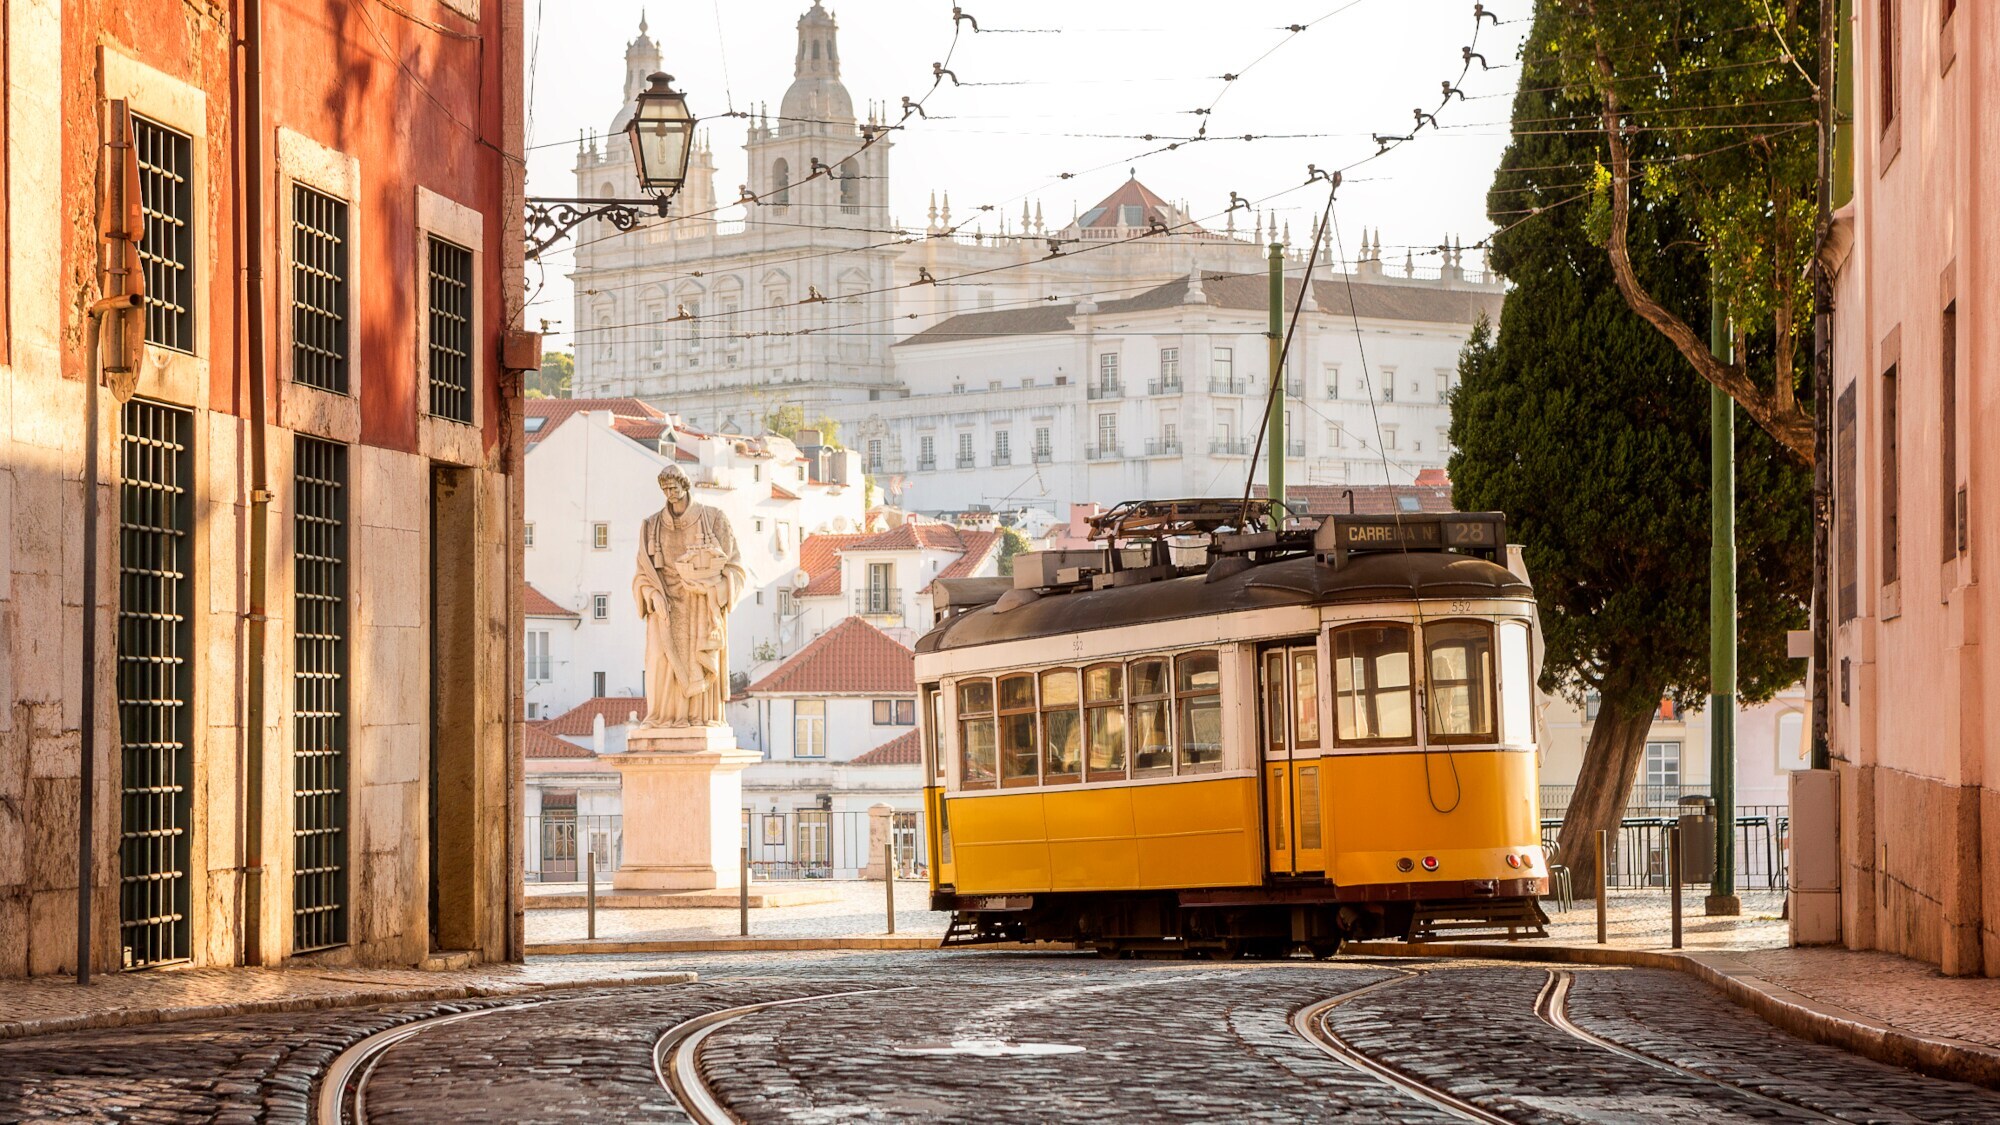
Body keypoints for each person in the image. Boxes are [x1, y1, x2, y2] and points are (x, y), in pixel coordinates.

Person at [633, 464, 745, 726]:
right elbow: (641, 574)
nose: (670, 493)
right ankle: (662, 717)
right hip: (665, 607)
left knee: (698, 660)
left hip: (700, 606)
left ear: (685, 485)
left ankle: (699, 718)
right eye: (665, 489)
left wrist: (712, 589)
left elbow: (736, 568)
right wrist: (651, 595)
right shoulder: (651, 526)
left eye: (674, 487)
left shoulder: (714, 519)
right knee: (659, 659)